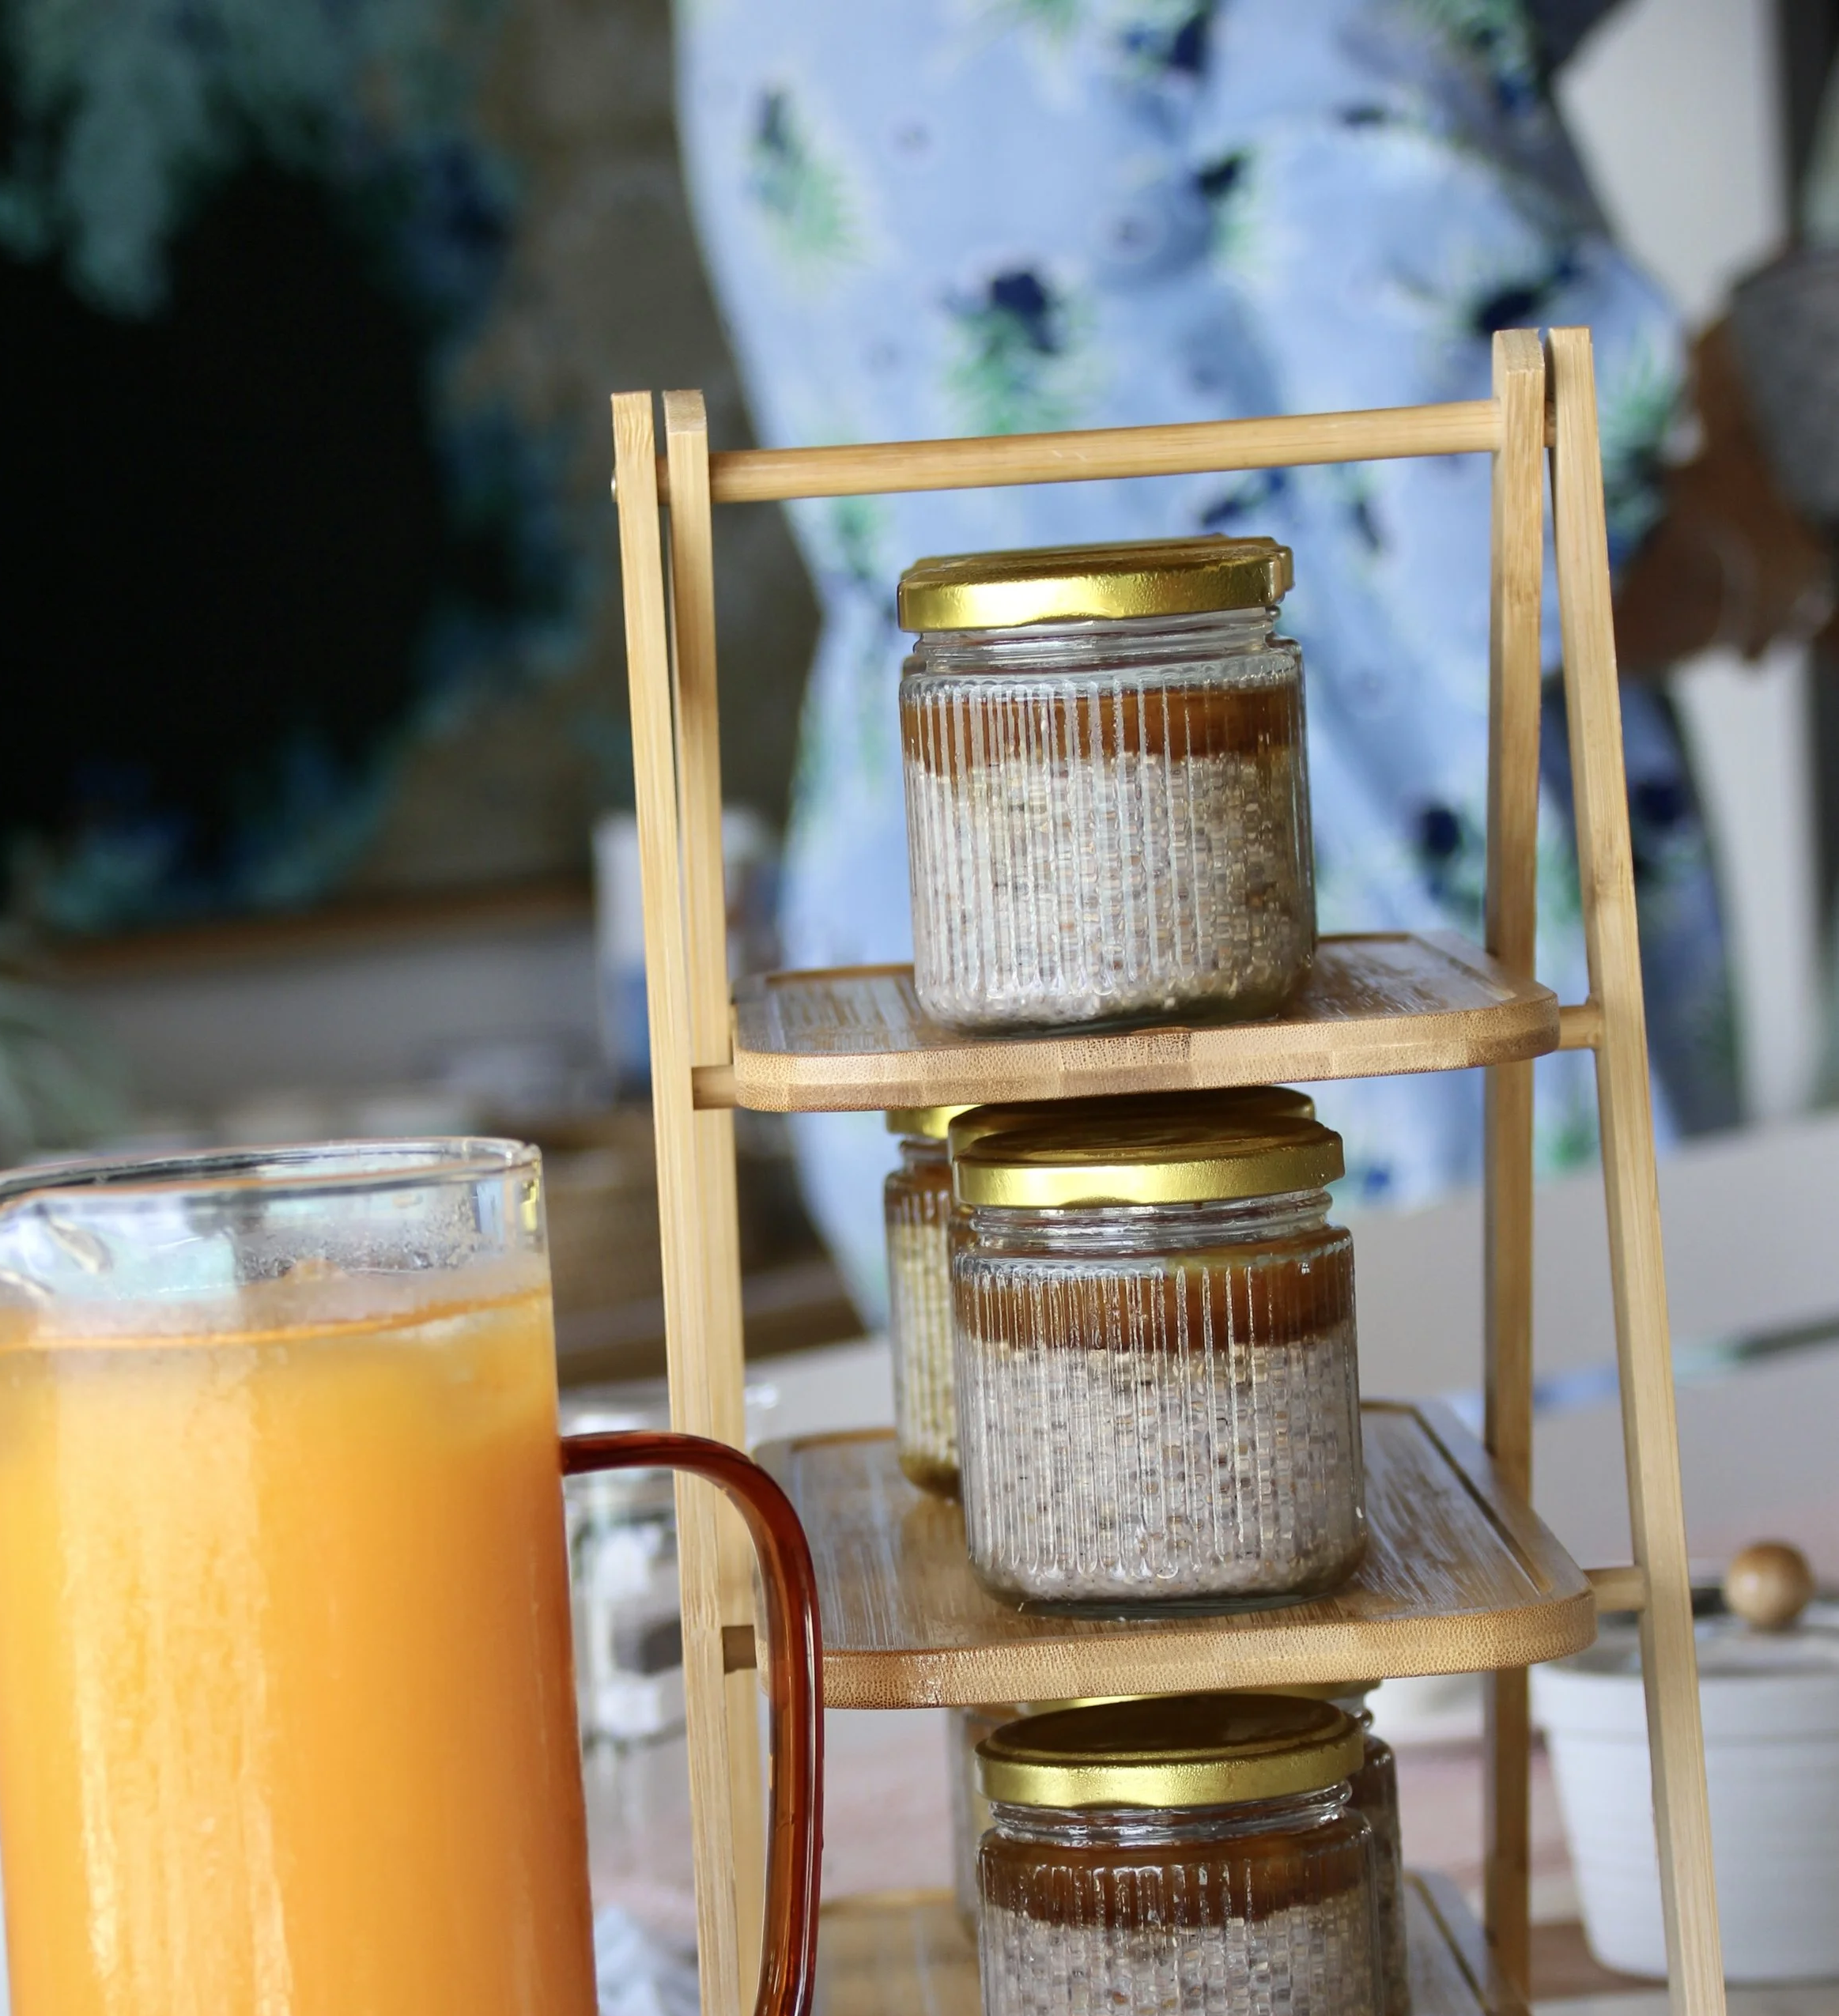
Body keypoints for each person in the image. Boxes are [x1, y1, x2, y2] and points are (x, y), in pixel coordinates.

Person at [675, 0, 1831, 1316]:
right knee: (1488, 1491)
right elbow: (1514, 545)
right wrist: (1759, 539)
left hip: (938, 938)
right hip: (1316, 952)